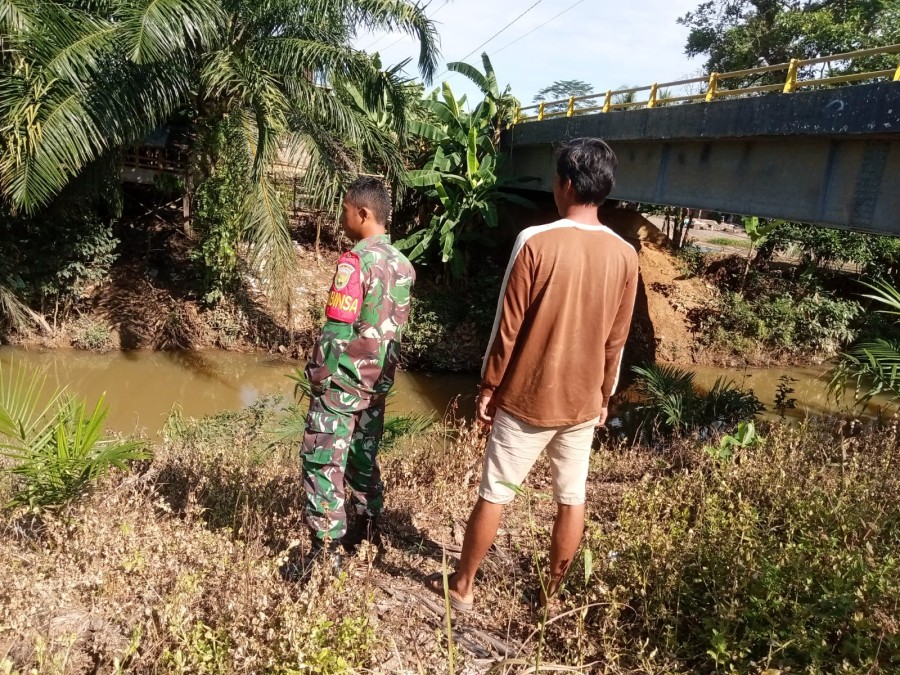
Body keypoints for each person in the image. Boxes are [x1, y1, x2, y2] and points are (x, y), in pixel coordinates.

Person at [426, 137, 639, 610]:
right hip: (584, 403)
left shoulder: (535, 241)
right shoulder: (626, 255)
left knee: (495, 492)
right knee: (571, 497)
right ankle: (550, 597)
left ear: (565, 183)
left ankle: (462, 588)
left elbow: (508, 325)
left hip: (525, 399)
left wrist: (488, 386)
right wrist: (605, 396)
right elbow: (616, 341)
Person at [283, 176, 415, 580]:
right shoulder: (403, 265)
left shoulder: (354, 262)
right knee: (363, 457)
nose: (342, 218)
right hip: (378, 385)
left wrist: (317, 377)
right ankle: (367, 529)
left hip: (342, 384)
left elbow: (337, 331)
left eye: (345, 211)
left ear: (363, 213)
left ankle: (325, 556)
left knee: (324, 461)